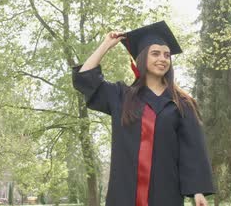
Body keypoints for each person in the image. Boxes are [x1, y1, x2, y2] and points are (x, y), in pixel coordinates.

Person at [72, 21, 215, 206]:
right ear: (142, 57)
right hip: (124, 194)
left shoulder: (182, 103)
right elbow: (85, 79)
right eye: (155, 53)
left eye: (166, 55)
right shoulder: (121, 96)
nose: (162, 59)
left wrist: (198, 191)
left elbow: (192, 148)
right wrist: (105, 45)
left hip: (165, 193)